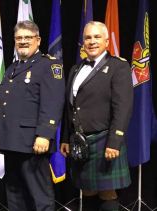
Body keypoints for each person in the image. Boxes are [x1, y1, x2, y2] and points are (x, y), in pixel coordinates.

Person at [60, 21, 133, 211]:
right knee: (88, 190)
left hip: (104, 139)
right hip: (80, 140)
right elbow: (69, 107)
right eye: (88, 37)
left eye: (97, 37)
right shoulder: (75, 69)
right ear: (83, 43)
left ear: (106, 41)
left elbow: (123, 107)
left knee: (107, 191)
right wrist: (67, 138)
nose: (92, 41)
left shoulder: (118, 67)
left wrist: (114, 141)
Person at [0, 20, 65, 211]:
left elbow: (53, 102)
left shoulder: (49, 66)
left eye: (28, 37)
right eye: (19, 38)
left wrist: (44, 134)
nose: (23, 41)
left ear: (38, 40)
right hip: (11, 142)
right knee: (15, 195)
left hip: (32, 142)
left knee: (40, 196)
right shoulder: (12, 69)